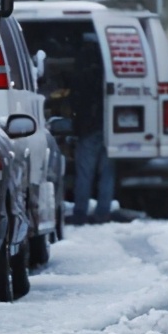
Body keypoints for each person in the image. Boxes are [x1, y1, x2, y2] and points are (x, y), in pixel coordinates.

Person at [67, 37, 115, 225]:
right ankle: (103, 212)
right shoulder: (108, 65)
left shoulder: (82, 67)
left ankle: (80, 213)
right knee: (107, 174)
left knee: (84, 174)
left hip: (88, 129)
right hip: (111, 128)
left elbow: (76, 99)